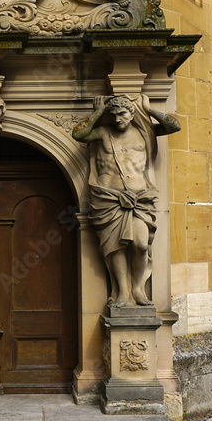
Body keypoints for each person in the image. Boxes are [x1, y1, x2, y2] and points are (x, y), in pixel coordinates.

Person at [73, 94, 180, 307]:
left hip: (140, 198)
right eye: (113, 115)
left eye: (122, 113)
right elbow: (80, 133)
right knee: (116, 247)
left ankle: (138, 289)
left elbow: (173, 125)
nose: (118, 119)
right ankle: (122, 292)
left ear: (132, 113)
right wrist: (97, 112)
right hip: (109, 199)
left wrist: (148, 110)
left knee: (141, 244)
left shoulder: (145, 132)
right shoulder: (104, 133)